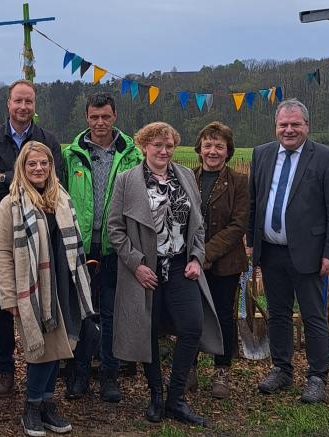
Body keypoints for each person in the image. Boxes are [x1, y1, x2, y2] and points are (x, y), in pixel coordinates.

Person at [109, 122, 223, 426]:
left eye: (169, 145)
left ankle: (176, 399)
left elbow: (197, 225)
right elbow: (115, 230)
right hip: (145, 270)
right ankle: (156, 396)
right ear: (145, 146)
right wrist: (136, 264)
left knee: (192, 326)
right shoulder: (126, 181)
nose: (163, 151)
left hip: (179, 266)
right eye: (157, 145)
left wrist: (197, 257)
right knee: (148, 332)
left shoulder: (185, 176)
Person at [248, 99, 329, 404]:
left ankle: (318, 377)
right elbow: (254, 201)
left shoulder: (327, 159)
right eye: (283, 125)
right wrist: (252, 242)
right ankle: (281, 369)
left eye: (295, 124)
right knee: (277, 314)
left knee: (313, 316)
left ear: (307, 125)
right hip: (272, 252)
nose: (289, 130)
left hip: (310, 253)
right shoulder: (262, 154)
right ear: (276, 126)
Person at [0, 141, 93, 436]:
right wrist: (9, 295)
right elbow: (2, 252)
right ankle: (32, 408)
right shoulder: (10, 204)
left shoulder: (61, 198)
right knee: (42, 349)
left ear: (51, 166)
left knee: (59, 346)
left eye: (44, 163)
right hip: (34, 288)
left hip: (63, 282)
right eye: (32, 164)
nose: (39, 169)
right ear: (22, 169)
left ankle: (48, 404)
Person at [0, 79, 66, 397]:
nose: (23, 107)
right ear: (8, 104)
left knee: (43, 304)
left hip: (41, 240)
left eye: (29, 101)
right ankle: (5, 370)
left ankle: (39, 370)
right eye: (18, 101)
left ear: (35, 105)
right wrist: (24, 176)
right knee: (5, 306)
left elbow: (57, 182)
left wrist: (7, 176)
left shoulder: (48, 140)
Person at [61, 92, 143, 401]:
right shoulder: (72, 155)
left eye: (105, 116)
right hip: (81, 246)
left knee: (110, 312)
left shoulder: (131, 156)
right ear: (86, 117)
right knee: (82, 312)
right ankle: (79, 372)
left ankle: (110, 375)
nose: (100, 122)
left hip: (115, 246)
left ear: (115, 116)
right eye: (94, 117)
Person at [192, 121, 249, 399]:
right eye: (207, 145)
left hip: (225, 264)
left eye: (218, 146)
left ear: (228, 151)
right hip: (190, 262)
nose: (212, 151)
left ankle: (221, 371)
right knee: (190, 315)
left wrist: (207, 253)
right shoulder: (186, 178)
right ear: (199, 149)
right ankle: (187, 368)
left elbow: (238, 226)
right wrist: (194, 255)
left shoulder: (239, 182)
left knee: (223, 316)